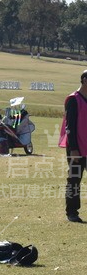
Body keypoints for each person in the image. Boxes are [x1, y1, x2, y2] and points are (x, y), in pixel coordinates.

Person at [60, 70, 87, 222]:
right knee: (74, 180)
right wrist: (75, 149)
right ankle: (72, 212)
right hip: (76, 149)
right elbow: (69, 126)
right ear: (84, 80)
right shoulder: (73, 100)